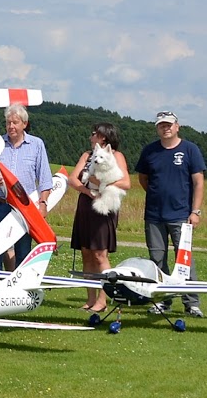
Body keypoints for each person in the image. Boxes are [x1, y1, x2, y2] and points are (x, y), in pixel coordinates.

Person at [136, 110, 206, 317]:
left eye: (169, 124)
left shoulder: (190, 150)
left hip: (181, 215)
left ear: (177, 126)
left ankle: (191, 303)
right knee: (157, 259)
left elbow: (198, 182)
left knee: (184, 260)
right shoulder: (150, 151)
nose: (165, 128)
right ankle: (162, 301)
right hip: (154, 215)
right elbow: (143, 179)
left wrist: (196, 211)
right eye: (161, 125)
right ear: (157, 128)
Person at [0, 103, 52, 271]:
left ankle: (19, 290)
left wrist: (43, 203)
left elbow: (45, 179)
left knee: (23, 250)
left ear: (24, 124)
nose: (11, 126)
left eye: (15, 122)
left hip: (24, 208)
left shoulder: (36, 144)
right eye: (8, 122)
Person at [70, 122, 129, 313]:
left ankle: (103, 300)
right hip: (86, 204)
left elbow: (126, 182)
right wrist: (87, 192)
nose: (90, 136)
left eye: (94, 133)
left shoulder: (116, 155)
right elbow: (73, 179)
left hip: (104, 207)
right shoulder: (87, 155)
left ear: (103, 136)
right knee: (86, 253)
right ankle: (90, 299)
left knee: (99, 254)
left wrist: (99, 182)